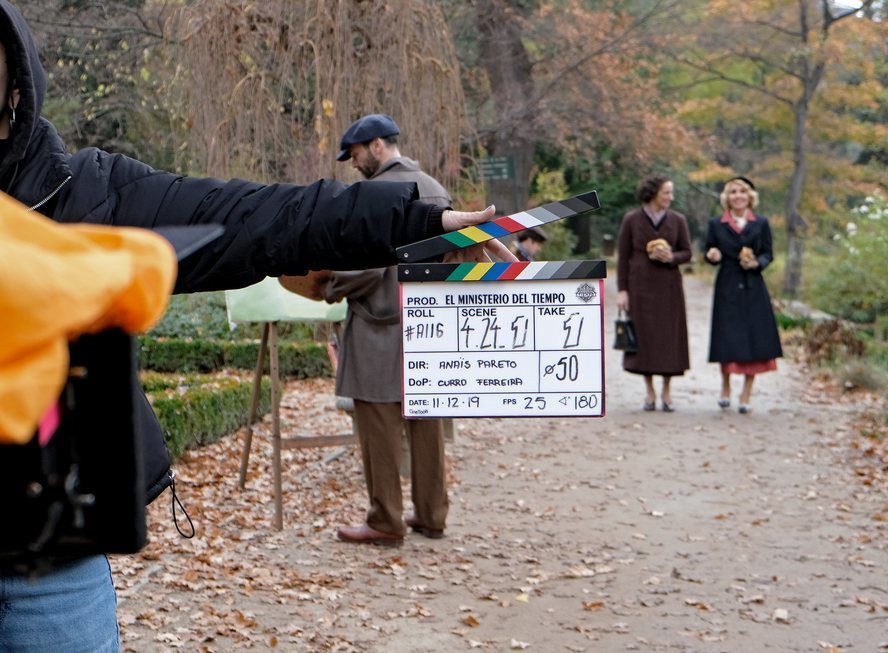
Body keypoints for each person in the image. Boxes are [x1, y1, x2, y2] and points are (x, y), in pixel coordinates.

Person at [0, 3, 511, 649]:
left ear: (15, 78)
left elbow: (261, 217)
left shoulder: (88, 192)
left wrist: (418, 220)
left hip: (50, 551)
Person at [323, 114, 451, 546]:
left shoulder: (376, 192)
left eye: (356, 154)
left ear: (377, 146)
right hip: (429, 327)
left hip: (380, 330)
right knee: (427, 422)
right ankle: (432, 515)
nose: (353, 163)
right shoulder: (435, 187)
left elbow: (364, 265)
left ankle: (385, 519)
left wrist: (327, 283)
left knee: (377, 427)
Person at [704, 176, 783, 414]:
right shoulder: (716, 224)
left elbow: (768, 253)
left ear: (750, 196)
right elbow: (708, 250)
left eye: (742, 192)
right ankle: (725, 386)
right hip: (727, 284)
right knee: (726, 337)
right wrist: (712, 256)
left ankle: (746, 392)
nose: (738, 196)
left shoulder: (761, 223)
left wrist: (757, 263)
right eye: (733, 192)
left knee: (754, 339)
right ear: (726, 198)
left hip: (753, 285)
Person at [616, 174, 692, 412]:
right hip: (640, 286)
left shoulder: (678, 220)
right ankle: (649, 391)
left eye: (671, 192)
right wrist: (622, 290)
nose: (671, 197)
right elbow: (623, 257)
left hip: (669, 286)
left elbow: (687, 252)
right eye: (667, 192)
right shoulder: (632, 220)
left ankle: (667, 391)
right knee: (645, 337)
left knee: (669, 338)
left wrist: (672, 257)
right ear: (653, 193)